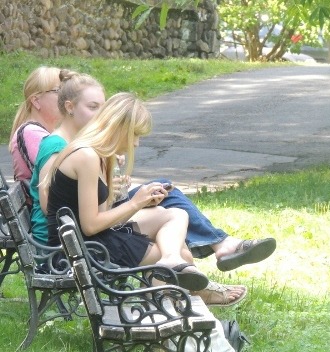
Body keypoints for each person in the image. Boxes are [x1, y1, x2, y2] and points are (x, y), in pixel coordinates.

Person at [30, 70, 246, 306]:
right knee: (181, 257)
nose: (135, 143)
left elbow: (101, 214)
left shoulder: (101, 155)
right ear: (118, 127)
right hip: (74, 250)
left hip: (88, 239)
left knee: (176, 214)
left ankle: (171, 266)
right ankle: (170, 320)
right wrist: (135, 203)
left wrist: (139, 203)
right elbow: (91, 225)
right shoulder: (87, 156)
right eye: (134, 134)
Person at [9, 66, 62, 182]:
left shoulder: (41, 131)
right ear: (36, 101)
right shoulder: (31, 132)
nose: (66, 97)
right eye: (59, 91)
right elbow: (63, 173)